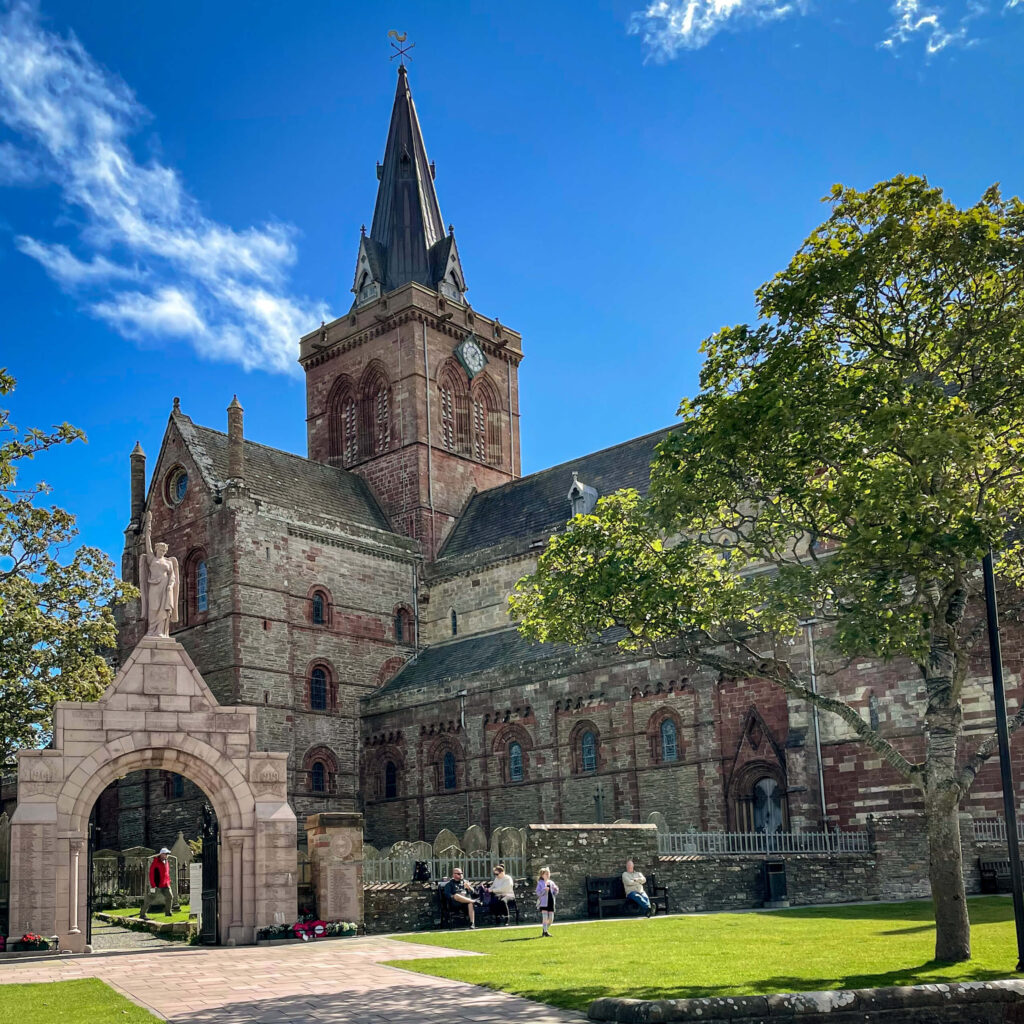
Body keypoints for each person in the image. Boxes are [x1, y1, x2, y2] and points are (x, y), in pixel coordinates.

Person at [139, 847, 174, 920]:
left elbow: (166, 873)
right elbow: (151, 874)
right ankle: (142, 914)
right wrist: (153, 885)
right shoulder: (155, 862)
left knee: (170, 897)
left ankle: (168, 912)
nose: (167, 855)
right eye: (166, 854)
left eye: (167, 854)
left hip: (166, 884)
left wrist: (168, 881)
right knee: (150, 899)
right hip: (157, 885)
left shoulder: (166, 861)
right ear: (161, 854)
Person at [535, 867, 558, 937]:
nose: (548, 875)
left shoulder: (551, 882)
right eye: (546, 874)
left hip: (551, 902)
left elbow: (555, 892)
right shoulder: (540, 883)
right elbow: (538, 893)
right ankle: (545, 932)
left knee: (551, 919)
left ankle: (545, 930)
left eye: (548, 874)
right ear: (542, 875)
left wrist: (556, 889)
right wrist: (544, 890)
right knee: (545, 918)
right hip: (544, 903)